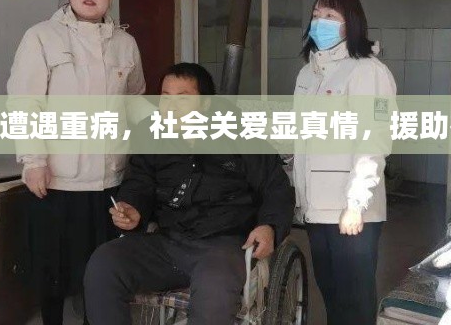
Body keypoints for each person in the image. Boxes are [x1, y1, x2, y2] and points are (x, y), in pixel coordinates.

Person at [84, 63, 295, 325]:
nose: (171, 106)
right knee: (105, 262)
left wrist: (269, 226)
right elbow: (139, 182)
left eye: (183, 98)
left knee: (214, 290)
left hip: (222, 245)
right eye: (165, 97)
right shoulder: (151, 133)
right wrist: (132, 210)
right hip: (167, 242)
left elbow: (275, 186)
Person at [6, 0, 145, 325]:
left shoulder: (126, 44)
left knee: (99, 270)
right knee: (52, 269)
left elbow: (134, 101)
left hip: (110, 178)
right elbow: (24, 102)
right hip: (57, 178)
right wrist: (33, 160)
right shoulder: (42, 36)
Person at [293, 0, 397, 325]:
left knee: (354, 298)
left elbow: (374, 141)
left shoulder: (367, 71)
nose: (319, 21)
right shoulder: (308, 73)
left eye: (330, 15)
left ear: (350, 23)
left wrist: (356, 204)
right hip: (316, 208)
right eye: (316, 14)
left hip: (351, 210)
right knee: (331, 291)